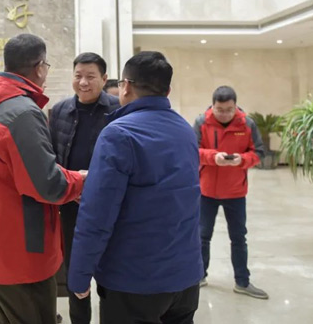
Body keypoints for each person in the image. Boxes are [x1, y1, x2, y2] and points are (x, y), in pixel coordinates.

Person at [68, 51, 202, 324]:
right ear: (167, 91)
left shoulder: (119, 134)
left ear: (126, 86)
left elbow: (97, 215)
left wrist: (79, 275)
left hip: (133, 281)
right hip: (186, 278)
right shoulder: (185, 130)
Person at [0, 33, 86, 324]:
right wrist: (81, 180)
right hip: (20, 251)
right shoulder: (22, 113)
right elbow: (48, 184)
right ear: (40, 67)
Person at [49, 52, 119, 324]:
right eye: (78, 76)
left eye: (90, 76)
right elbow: (52, 156)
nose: (83, 82)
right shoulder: (60, 111)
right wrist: (70, 188)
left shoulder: (118, 109)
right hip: (71, 205)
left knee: (109, 268)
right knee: (74, 270)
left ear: (104, 78)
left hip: (108, 205)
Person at [193, 86, 268, 299]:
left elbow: (259, 152)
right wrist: (213, 157)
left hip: (235, 191)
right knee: (202, 236)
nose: (224, 114)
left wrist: (241, 160)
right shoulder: (202, 122)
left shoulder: (247, 124)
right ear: (212, 106)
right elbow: (192, 150)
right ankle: (199, 276)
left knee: (238, 237)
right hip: (206, 190)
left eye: (229, 109)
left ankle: (242, 282)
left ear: (235, 106)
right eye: (220, 110)